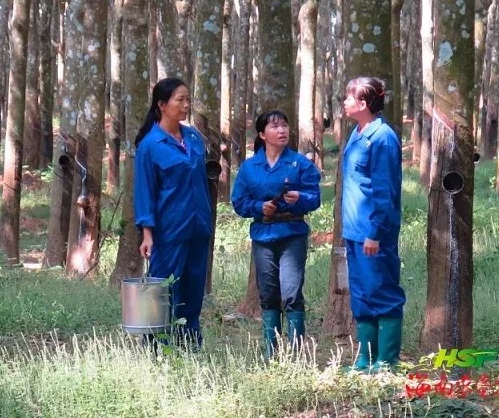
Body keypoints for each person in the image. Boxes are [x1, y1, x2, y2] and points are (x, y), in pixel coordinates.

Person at [232, 110, 321, 359]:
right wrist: (259, 207)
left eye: (284, 125)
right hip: (263, 235)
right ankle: (271, 353)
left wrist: (299, 198)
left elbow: (315, 198)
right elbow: (239, 202)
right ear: (262, 134)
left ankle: (296, 354)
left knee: (291, 292)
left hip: (292, 233)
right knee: (268, 293)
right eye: (274, 127)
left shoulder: (300, 163)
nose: (282, 131)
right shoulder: (250, 168)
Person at [134, 77, 213, 350]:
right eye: (180, 100)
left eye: (188, 99)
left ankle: (189, 346)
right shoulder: (150, 145)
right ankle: (156, 348)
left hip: (198, 227)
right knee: (162, 290)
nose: (186, 105)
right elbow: (145, 191)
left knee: (193, 290)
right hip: (168, 230)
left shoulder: (193, 137)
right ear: (162, 104)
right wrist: (147, 233)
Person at [341, 76, 406, 371]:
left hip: (373, 232)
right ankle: (365, 360)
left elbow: (384, 190)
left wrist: (376, 232)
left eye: (349, 97)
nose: (345, 102)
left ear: (364, 103)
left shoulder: (383, 137)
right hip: (354, 231)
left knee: (382, 291)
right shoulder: (356, 133)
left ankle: (386, 362)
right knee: (362, 295)